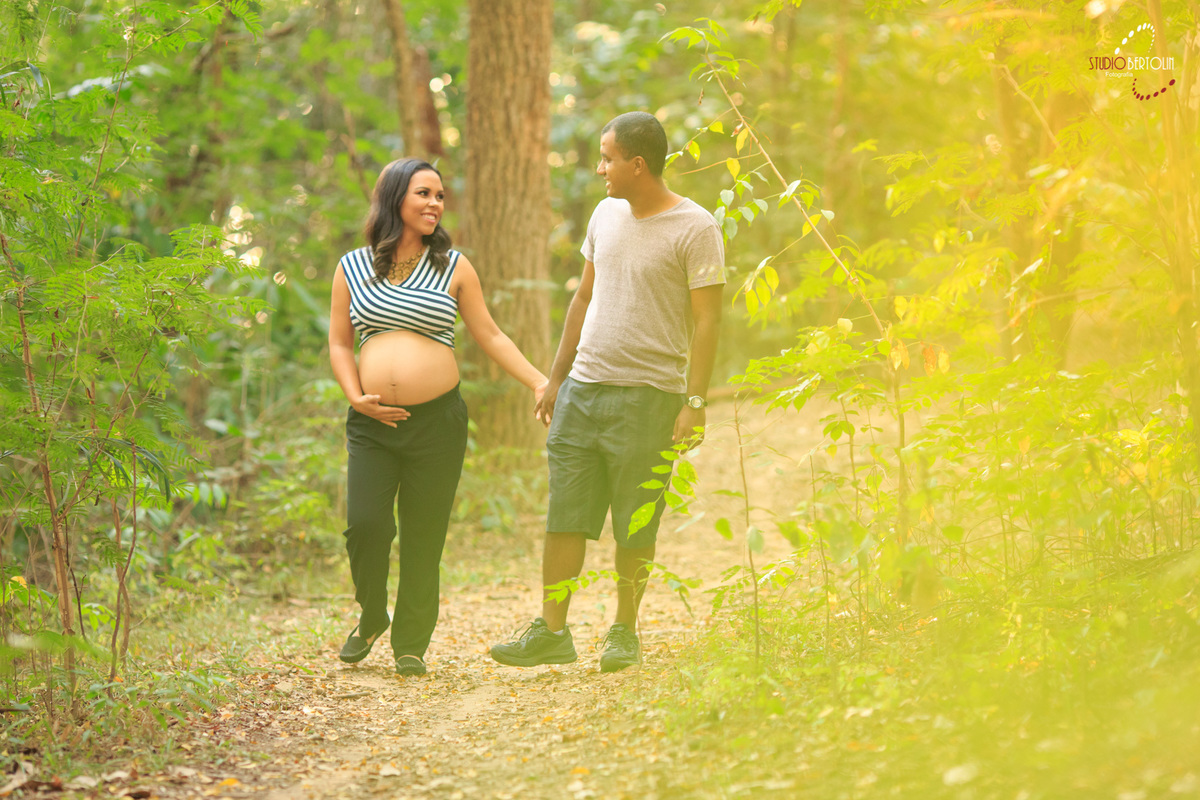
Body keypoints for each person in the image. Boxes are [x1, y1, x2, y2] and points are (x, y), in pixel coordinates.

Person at [489, 111, 725, 673]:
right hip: (583, 390)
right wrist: (555, 378)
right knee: (565, 513)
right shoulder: (604, 214)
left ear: (637, 165)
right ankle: (552, 632)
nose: (600, 169)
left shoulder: (696, 227)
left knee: (635, 521)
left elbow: (708, 320)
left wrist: (694, 403)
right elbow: (582, 297)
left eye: (607, 158)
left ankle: (624, 630)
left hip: (650, 395)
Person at [329, 158, 547, 676]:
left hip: (437, 425)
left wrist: (539, 381)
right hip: (373, 424)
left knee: (424, 535)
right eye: (424, 193)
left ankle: (411, 643)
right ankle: (372, 613)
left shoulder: (454, 266)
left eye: (440, 196)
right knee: (366, 525)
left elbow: (490, 334)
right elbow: (339, 342)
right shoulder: (352, 267)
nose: (435, 203)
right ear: (395, 197)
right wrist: (355, 396)